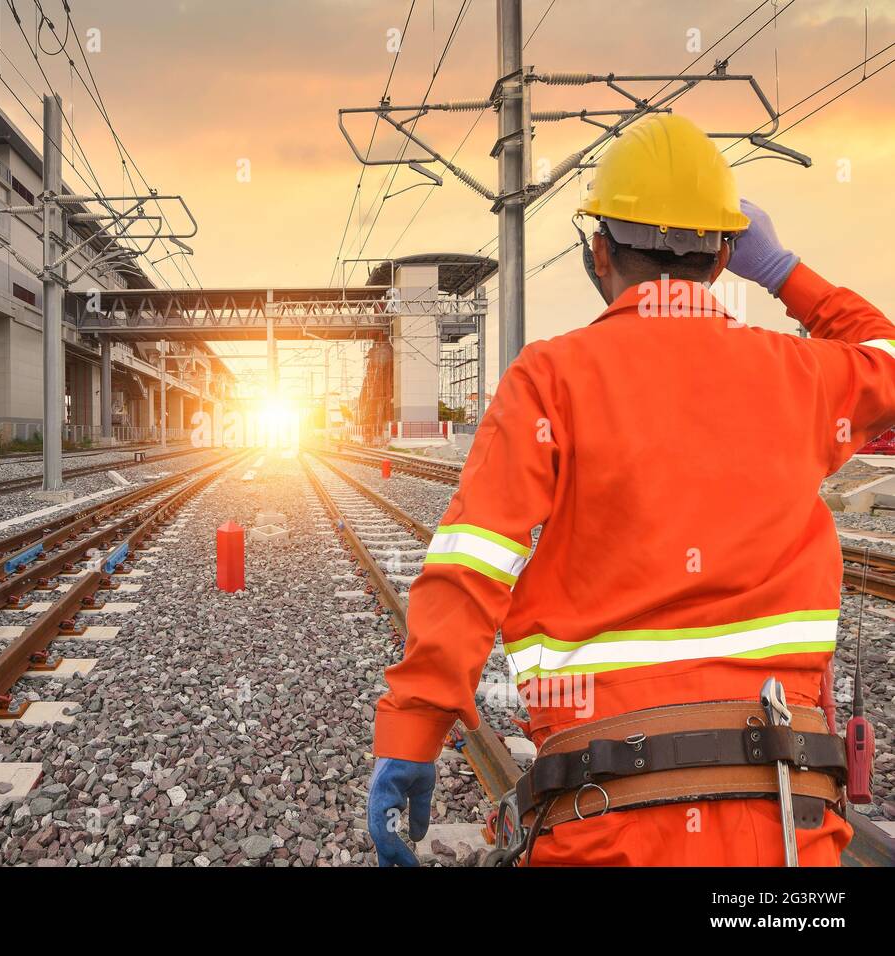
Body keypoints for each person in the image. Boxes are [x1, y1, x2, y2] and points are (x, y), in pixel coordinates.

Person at [368, 113, 890, 866]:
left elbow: (472, 566)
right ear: (722, 261)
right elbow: (885, 353)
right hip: (784, 816)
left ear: (599, 253)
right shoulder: (804, 377)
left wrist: (412, 732)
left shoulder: (550, 379)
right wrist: (783, 273)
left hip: (604, 816)